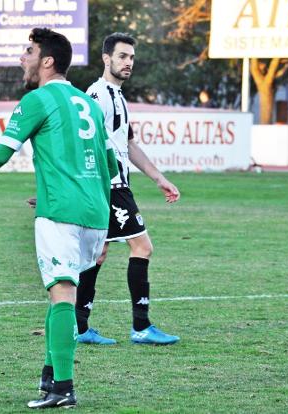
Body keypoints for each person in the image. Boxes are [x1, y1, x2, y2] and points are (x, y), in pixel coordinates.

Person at [0, 28, 118, 409]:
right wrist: (107, 229)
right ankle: (49, 375)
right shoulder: (86, 103)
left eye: (29, 51)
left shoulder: (38, 99)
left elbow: (1, 153)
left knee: (61, 293)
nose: (23, 58)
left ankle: (63, 388)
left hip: (59, 214)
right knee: (64, 294)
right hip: (94, 214)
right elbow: (109, 164)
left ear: (48, 60)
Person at [76, 32, 181, 345]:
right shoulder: (97, 96)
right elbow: (85, 142)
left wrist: (158, 178)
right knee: (142, 247)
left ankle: (79, 327)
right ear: (107, 59)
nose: (128, 63)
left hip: (114, 184)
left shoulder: (116, 96)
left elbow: (129, 143)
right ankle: (141, 326)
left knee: (98, 254)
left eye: (131, 58)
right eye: (122, 56)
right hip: (110, 184)